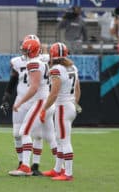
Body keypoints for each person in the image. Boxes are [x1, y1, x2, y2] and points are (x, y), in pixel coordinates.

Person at [1, 35, 57, 176]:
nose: (24, 52)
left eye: (26, 49)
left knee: (24, 132)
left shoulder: (34, 63)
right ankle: (60, 167)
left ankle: (25, 167)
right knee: (50, 137)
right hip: (47, 101)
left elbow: (33, 88)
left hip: (39, 102)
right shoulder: (42, 62)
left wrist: (19, 102)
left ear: (31, 50)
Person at [39, 42, 81, 181]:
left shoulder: (56, 69)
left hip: (63, 107)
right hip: (70, 105)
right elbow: (78, 89)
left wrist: (44, 108)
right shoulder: (72, 67)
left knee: (64, 140)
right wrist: (74, 103)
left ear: (53, 54)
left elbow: (54, 93)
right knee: (59, 138)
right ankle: (57, 169)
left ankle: (68, 173)